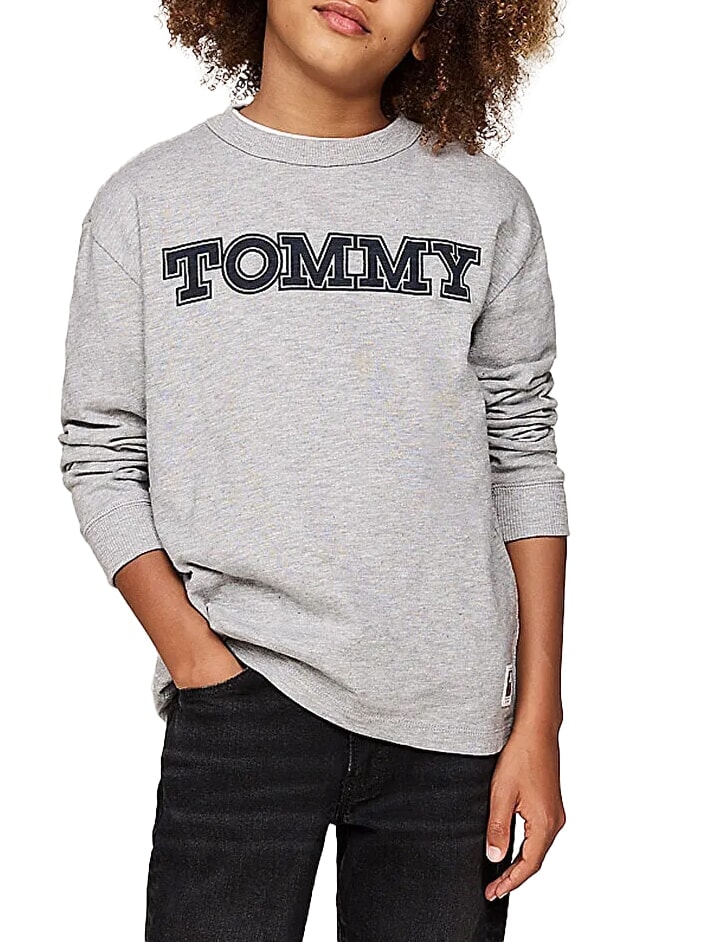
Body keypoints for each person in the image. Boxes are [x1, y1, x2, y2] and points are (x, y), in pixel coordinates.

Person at [57, 1, 570, 939]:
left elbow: (523, 455)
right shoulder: (147, 200)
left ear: (437, 27)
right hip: (241, 698)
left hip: (452, 723)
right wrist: (197, 662)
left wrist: (539, 720)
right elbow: (101, 448)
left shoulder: (487, 204)